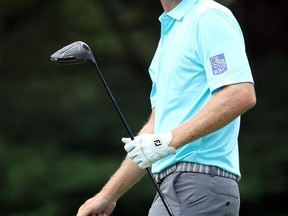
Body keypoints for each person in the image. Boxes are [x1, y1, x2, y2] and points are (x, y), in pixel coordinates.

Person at [76, 0, 256, 215]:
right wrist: (108, 195)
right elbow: (155, 128)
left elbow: (239, 93)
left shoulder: (208, 16)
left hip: (200, 182)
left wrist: (166, 141)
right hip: (172, 186)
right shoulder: (169, 35)